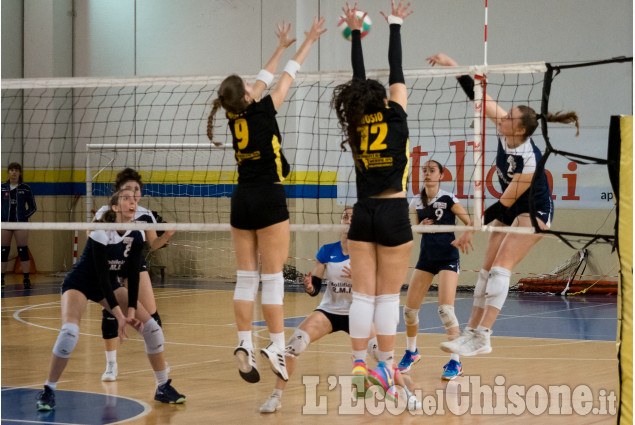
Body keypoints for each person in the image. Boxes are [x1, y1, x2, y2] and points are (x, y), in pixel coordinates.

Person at [426, 53, 579, 356]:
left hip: (533, 211)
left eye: (508, 118)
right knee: (484, 271)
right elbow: (479, 97)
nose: (501, 118)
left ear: (520, 130)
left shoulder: (530, 159)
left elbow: (503, 202)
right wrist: (455, 68)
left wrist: (471, 227)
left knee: (499, 269)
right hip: (511, 208)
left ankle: (483, 334)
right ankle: (470, 334)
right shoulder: (507, 129)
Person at [207, 18, 326, 383]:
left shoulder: (233, 114)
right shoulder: (265, 108)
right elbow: (288, 74)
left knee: (246, 280)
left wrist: (278, 47)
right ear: (247, 96)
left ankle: (245, 342)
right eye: (248, 85)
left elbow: (264, 75)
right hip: (269, 196)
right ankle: (275, 346)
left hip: (241, 198)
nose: (252, 85)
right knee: (273, 279)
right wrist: (307, 41)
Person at [331, 0, 413, 401]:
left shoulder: (356, 120)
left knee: (362, 295)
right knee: (387, 296)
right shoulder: (395, 114)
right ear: (384, 99)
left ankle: (359, 364)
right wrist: (394, 25)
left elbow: (357, 78)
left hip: (363, 211)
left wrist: (356, 33)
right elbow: (395, 71)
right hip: (395, 210)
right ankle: (387, 367)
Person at [36, 189, 185, 411]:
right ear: (115, 207)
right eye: (126, 198)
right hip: (82, 281)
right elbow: (102, 276)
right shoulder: (101, 231)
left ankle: (162, 387)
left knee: (152, 329)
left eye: (135, 199)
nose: (132, 202)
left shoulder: (137, 233)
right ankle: (48, 390)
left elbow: (133, 275)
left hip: (110, 282)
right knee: (70, 332)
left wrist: (132, 312)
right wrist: (119, 316)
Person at [259, 207, 379, 413]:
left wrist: (359, 278)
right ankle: (275, 396)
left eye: (353, 218)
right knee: (294, 345)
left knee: (382, 353)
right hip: (329, 310)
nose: (349, 221)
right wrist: (309, 286)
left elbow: (376, 287)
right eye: (345, 217)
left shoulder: (368, 251)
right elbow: (315, 287)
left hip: (358, 311)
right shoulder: (327, 250)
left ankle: (404, 392)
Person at [94, 168, 174, 382]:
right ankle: (111, 364)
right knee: (111, 311)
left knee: (152, 315)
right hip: (111, 263)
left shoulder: (145, 215)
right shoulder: (105, 211)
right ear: (118, 191)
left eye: (136, 190)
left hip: (134, 264)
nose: (133, 194)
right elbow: (91, 235)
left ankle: (160, 360)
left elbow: (154, 244)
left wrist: (166, 235)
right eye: (128, 189)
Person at [397, 160, 473, 380]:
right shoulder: (416, 201)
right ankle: (411, 352)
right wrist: (422, 228)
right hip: (426, 258)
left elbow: (468, 221)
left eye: (432, 171)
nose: (427, 174)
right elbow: (418, 229)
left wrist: (465, 235)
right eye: (425, 171)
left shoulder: (448, 199)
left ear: (441, 175)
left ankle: (455, 362)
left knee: (445, 310)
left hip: (448, 256)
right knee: (409, 311)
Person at [1, 162, 37, 289]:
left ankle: (26, 278)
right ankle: (1, 279)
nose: (14, 172)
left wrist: (23, 216)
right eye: (11, 170)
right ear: (8, 172)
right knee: (3, 251)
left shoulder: (25, 188)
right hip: (5, 223)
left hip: (20, 223)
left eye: (16, 170)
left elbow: (33, 207)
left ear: (20, 172)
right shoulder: (2, 187)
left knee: (23, 250)